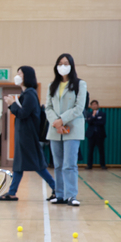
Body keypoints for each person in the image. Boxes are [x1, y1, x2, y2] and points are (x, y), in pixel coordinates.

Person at [0, 66, 56, 201]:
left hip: (28, 135)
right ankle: (12, 192)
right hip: (23, 134)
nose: (17, 76)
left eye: (20, 73)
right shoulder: (27, 93)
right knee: (18, 165)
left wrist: (12, 104)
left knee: (37, 165)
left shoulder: (30, 93)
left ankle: (56, 188)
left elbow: (23, 113)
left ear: (27, 76)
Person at [45, 53, 86, 206]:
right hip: (55, 130)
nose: (63, 66)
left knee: (70, 164)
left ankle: (71, 195)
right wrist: (55, 122)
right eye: (60, 63)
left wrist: (62, 120)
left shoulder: (80, 84)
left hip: (72, 128)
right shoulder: (52, 85)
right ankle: (60, 194)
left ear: (71, 65)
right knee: (58, 164)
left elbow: (79, 107)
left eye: (66, 63)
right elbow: (48, 107)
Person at [85, 100, 106, 170]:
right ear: (91, 106)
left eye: (95, 104)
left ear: (98, 105)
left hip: (100, 135)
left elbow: (102, 123)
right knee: (90, 151)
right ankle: (89, 165)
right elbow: (89, 122)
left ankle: (102, 165)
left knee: (101, 151)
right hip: (91, 135)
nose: (94, 106)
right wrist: (93, 116)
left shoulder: (102, 114)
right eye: (92, 104)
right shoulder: (89, 114)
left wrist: (94, 121)